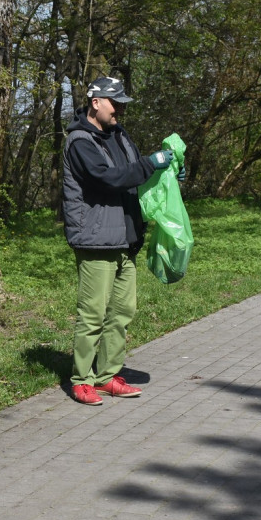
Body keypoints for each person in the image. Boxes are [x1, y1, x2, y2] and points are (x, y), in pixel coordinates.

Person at [61, 76, 182, 406]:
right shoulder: (80, 142)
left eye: (123, 104)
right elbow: (109, 178)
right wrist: (149, 164)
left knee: (121, 313)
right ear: (95, 102)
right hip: (96, 240)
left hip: (124, 238)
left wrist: (165, 171)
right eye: (115, 103)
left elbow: (135, 172)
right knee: (93, 314)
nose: (120, 110)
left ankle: (107, 375)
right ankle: (82, 380)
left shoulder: (118, 134)